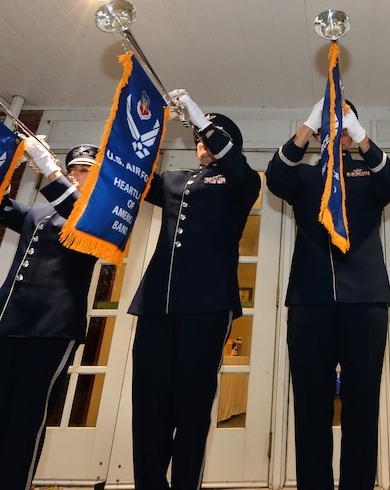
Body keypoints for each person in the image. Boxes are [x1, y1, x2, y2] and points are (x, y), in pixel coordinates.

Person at [264, 99, 390, 490]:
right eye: (331, 125)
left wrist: (359, 135)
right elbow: (275, 178)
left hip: (365, 301)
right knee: (311, 406)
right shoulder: (305, 177)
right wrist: (307, 125)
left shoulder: (369, 173)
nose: (336, 131)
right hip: (311, 301)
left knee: (361, 405)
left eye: (344, 125)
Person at [128, 91, 261, 490]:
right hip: (156, 305)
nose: (202, 141)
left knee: (192, 407)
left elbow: (238, 169)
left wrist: (201, 117)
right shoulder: (173, 180)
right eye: (200, 136)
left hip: (207, 306)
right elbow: (130, 175)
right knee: (149, 406)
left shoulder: (242, 181)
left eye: (211, 136)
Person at [0, 138, 100, 490]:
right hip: (7, 322)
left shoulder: (99, 214)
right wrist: (0, 163)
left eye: (84, 170)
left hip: (52, 328)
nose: (75, 174)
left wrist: (47, 166)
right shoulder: (38, 212)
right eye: (72, 169)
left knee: (26, 421)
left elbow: (77, 215)